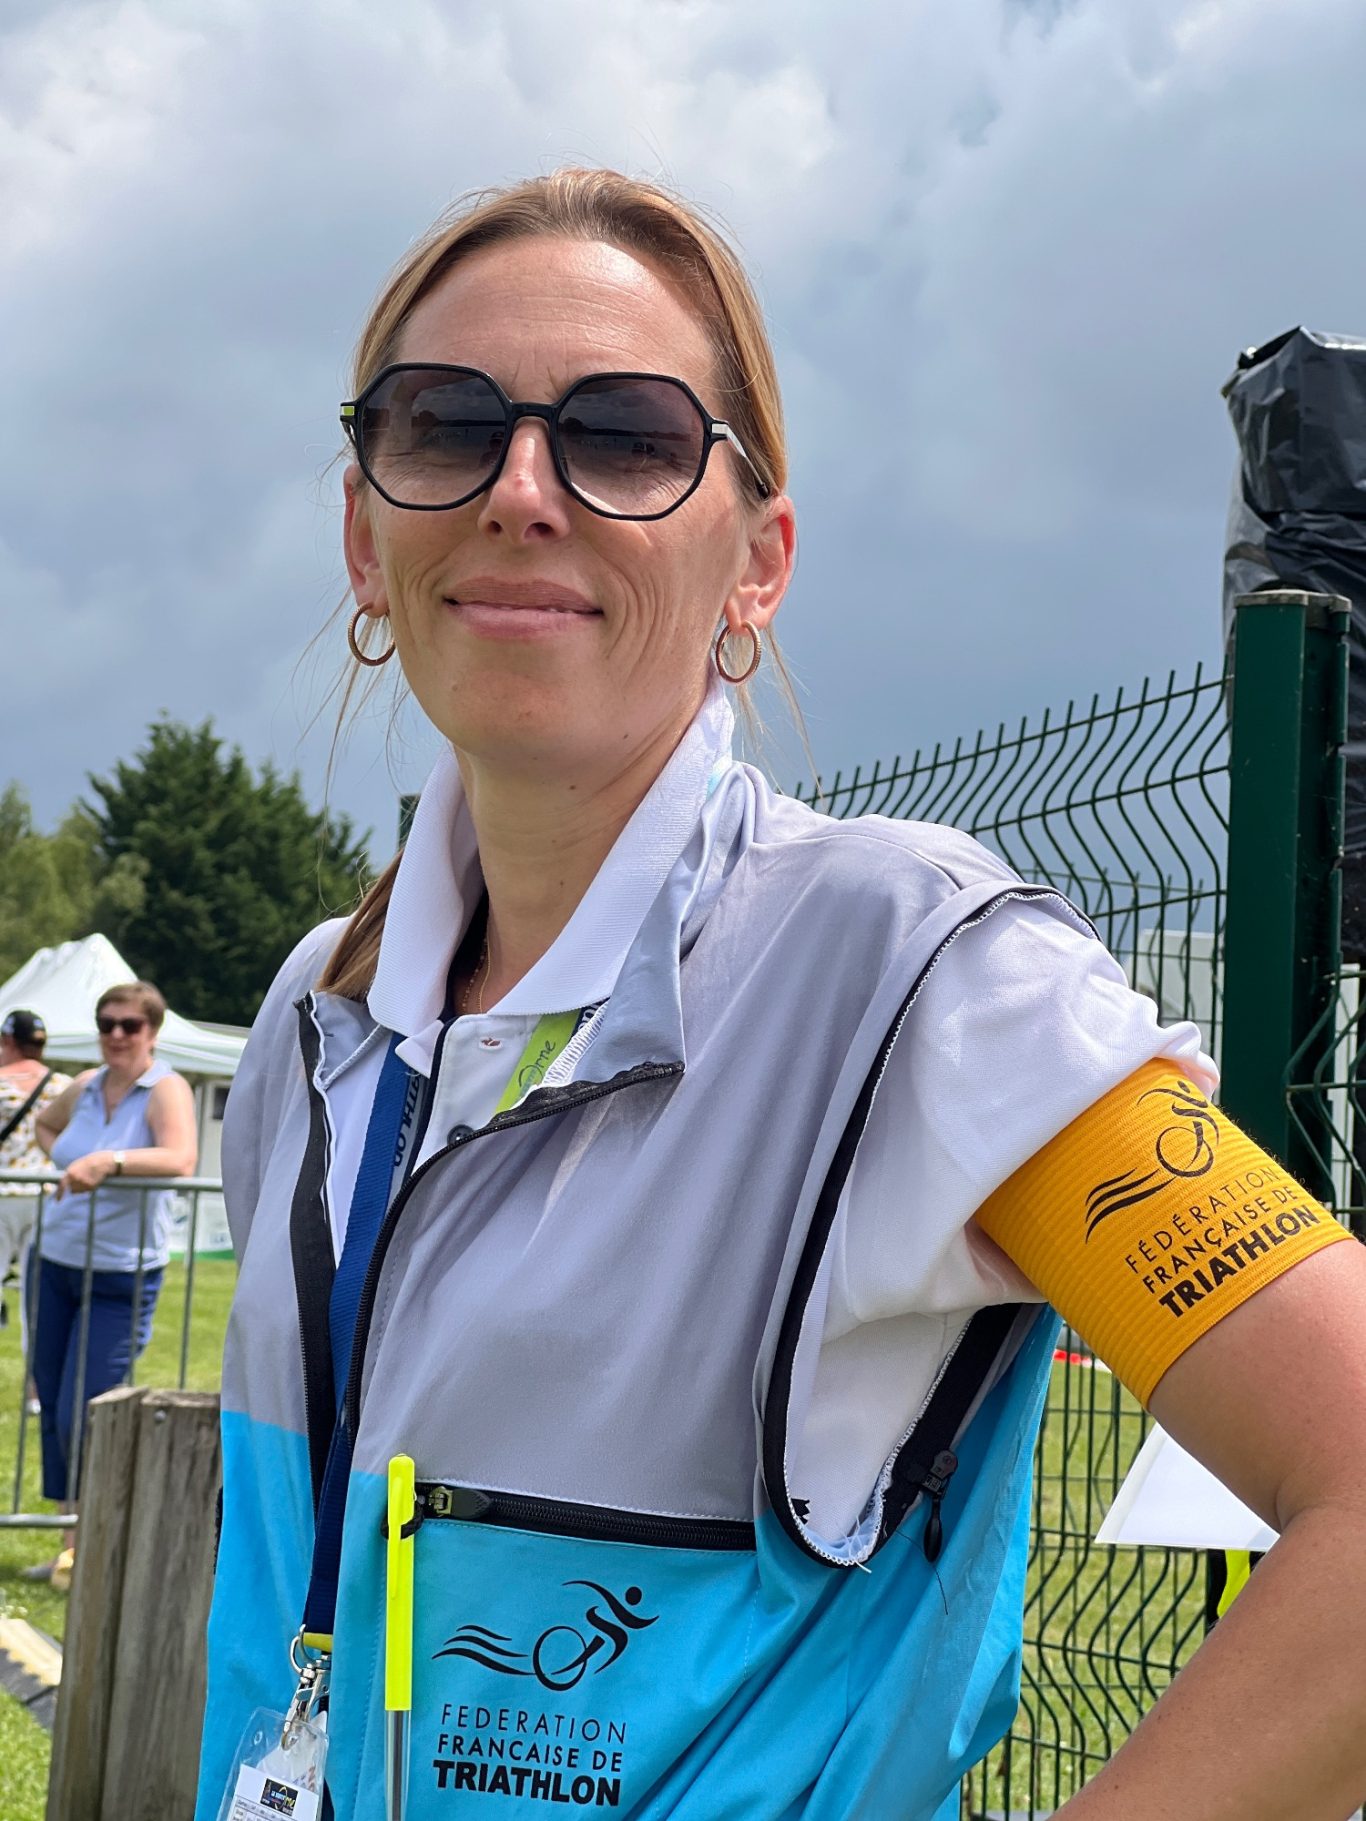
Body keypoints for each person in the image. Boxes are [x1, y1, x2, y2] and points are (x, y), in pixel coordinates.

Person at [198, 170, 1366, 1821]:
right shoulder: (314, 1022)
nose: (520, 489)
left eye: (623, 438)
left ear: (758, 562)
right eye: (445, 422)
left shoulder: (929, 976)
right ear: (361, 539)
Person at [28, 980, 197, 1583]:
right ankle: (71, 1545)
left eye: (130, 1025)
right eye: (107, 1024)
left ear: (153, 1031)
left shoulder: (166, 1089)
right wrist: (67, 1160)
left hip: (120, 1274)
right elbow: (45, 1126)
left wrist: (109, 1162)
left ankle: (95, 1547)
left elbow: (181, 1158)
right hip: (54, 1262)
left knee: (89, 1410)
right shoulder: (83, 1085)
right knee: (54, 1406)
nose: (117, 1035)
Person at [0, 1010, 69, 1349]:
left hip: (3, 1191)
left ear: (7, 1040)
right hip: (45, 1193)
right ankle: (35, 1377)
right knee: (36, 1294)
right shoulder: (63, 1085)